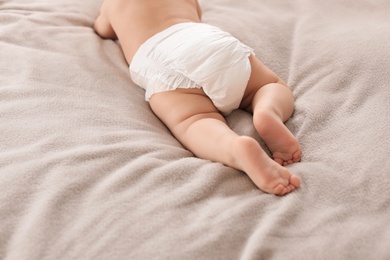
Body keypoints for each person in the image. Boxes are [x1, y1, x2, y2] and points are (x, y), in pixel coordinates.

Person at [94, 0, 302, 195]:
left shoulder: (113, 4)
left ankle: (234, 147)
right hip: (202, 39)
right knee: (268, 85)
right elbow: (197, 13)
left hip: (159, 60)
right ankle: (267, 111)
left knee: (194, 121)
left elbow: (103, 30)